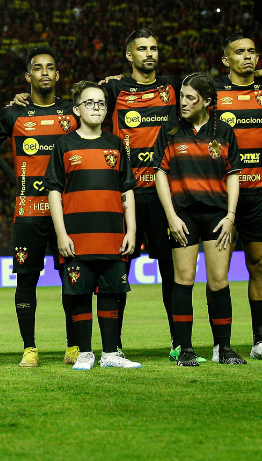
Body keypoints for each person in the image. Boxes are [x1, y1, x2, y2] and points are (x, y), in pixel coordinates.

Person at [0, 47, 79, 367]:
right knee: (26, 280)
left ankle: (74, 346)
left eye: (49, 68)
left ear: (57, 75)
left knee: (74, 278)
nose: (44, 73)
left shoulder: (73, 112)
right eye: (37, 68)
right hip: (28, 214)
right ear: (28, 77)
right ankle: (30, 348)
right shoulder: (13, 115)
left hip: (67, 214)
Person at [46, 81, 142, 370]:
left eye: (101, 103)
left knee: (112, 292)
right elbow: (53, 191)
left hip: (112, 235)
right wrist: (61, 234)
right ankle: (85, 353)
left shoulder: (114, 144)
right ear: (76, 109)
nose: (97, 108)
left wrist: (132, 230)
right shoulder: (64, 144)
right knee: (79, 293)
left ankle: (111, 354)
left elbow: (127, 190)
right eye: (90, 103)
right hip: (76, 236)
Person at [100, 29, 182, 359]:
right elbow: (75, 104)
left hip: (166, 197)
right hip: (128, 196)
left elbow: (216, 90)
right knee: (119, 274)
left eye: (154, 48)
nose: (150, 53)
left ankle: (179, 343)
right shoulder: (114, 88)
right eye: (142, 49)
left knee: (173, 274)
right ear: (129, 56)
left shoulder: (174, 86)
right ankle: (114, 346)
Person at [154, 74, 245, 366]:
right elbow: (160, 173)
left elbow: (233, 174)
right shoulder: (169, 131)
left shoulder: (224, 131)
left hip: (218, 216)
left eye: (190, 97)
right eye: (181, 95)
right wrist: (171, 216)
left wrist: (231, 216)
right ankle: (185, 349)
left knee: (219, 281)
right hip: (183, 217)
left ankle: (224, 348)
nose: (182, 102)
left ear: (206, 101)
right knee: (184, 280)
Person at [215, 32, 262, 360]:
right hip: (220, 193)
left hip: (258, 191)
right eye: (239, 51)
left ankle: (260, 342)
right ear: (225, 60)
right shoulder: (213, 93)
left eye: (252, 51)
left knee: (259, 264)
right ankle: (221, 344)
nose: (247, 56)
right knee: (219, 269)